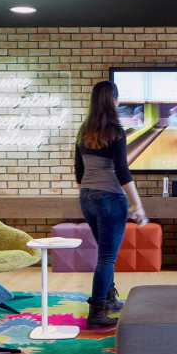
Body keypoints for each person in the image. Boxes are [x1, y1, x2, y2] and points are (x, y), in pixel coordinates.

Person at [74, 80, 146, 329]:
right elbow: (122, 171)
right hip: (110, 198)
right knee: (107, 257)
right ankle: (96, 314)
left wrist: (90, 193)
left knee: (105, 254)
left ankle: (109, 300)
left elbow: (79, 171)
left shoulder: (84, 130)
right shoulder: (115, 130)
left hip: (87, 198)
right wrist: (138, 205)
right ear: (113, 100)